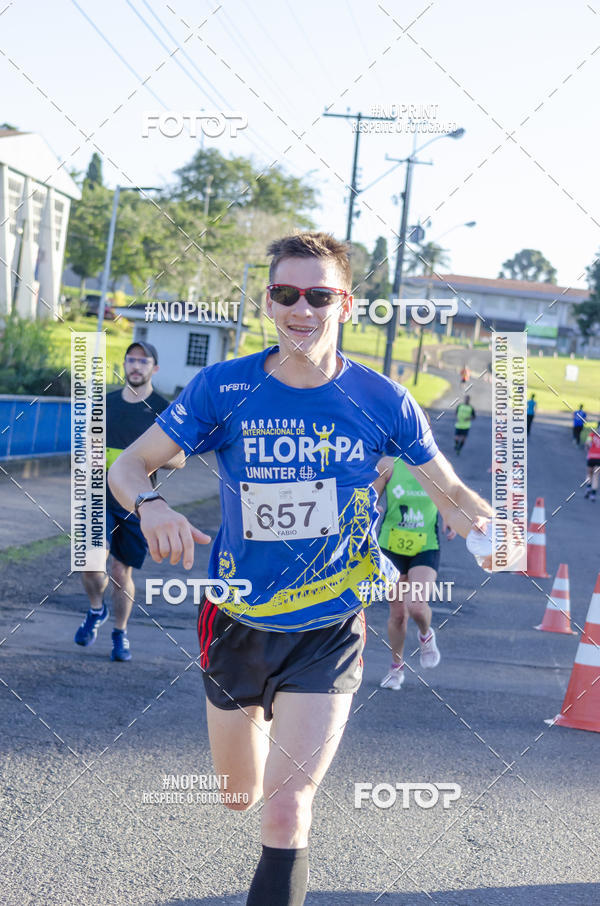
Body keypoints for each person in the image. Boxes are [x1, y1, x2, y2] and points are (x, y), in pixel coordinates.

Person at [108, 232, 498, 906]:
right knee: (240, 796)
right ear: (268, 300)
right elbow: (128, 465)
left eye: (319, 295)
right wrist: (151, 507)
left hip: (329, 625)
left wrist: (487, 524)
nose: (302, 308)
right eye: (286, 293)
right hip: (235, 622)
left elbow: (451, 494)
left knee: (287, 813)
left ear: (344, 302)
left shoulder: (382, 401)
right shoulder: (224, 386)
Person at [74, 341, 184, 661]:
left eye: (143, 361)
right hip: (97, 497)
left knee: (121, 573)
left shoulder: (163, 409)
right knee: (91, 564)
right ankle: (97, 610)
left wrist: (138, 458)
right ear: (124, 365)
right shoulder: (104, 403)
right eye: (131, 360)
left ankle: (119, 634)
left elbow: (180, 460)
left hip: (136, 501)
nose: (136, 366)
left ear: (155, 368)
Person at [374, 451, 456, 690]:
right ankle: (396, 668)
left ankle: (426, 635)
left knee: (417, 607)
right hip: (391, 546)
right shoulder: (388, 465)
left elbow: (449, 497)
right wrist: (373, 507)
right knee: (398, 615)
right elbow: (370, 496)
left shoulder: (438, 466)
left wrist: (450, 518)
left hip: (425, 545)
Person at [584, 423, 600, 502]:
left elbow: (587, 443)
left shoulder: (592, 434)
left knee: (589, 474)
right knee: (596, 476)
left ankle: (588, 488)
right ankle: (593, 495)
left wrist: (588, 449)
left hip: (591, 457)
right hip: (599, 458)